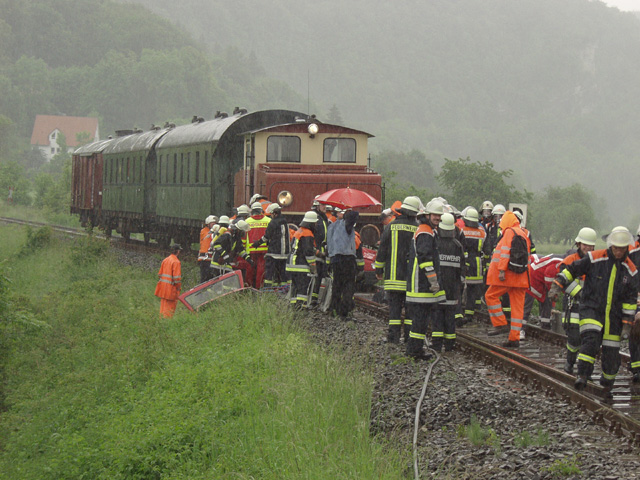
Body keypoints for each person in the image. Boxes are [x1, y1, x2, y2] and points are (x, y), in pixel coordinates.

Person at [552, 226, 638, 393]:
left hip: (613, 317)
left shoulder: (631, 270)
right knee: (590, 341)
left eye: (622, 249)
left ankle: (607, 383)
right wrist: (557, 285)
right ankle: (582, 376)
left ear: (627, 247)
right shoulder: (595, 258)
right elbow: (572, 269)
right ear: (610, 246)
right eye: (616, 248)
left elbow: (630, 300)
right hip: (591, 309)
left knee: (612, 354)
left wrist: (627, 324)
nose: (619, 252)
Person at [548, 227, 596, 374]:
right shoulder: (569, 261)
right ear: (578, 244)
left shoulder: (597, 261)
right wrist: (580, 294)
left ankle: (585, 370)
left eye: (590, 246)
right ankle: (570, 361)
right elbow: (563, 281)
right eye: (585, 245)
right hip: (573, 304)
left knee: (590, 338)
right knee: (574, 337)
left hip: (591, 306)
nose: (587, 248)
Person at [374, 196, 421, 343]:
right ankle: (408, 337)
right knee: (410, 310)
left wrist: (379, 270)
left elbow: (382, 249)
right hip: (411, 279)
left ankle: (393, 337)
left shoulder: (391, 226)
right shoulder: (418, 228)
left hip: (393, 277)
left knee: (394, 309)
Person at [405, 200, 446, 359]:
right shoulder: (425, 232)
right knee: (420, 320)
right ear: (427, 215)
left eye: (439, 215)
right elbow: (425, 259)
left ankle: (414, 350)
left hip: (421, 283)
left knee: (420, 320)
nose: (437, 218)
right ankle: (414, 351)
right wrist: (433, 281)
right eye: (435, 215)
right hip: (421, 284)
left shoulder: (427, 230)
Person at [484, 210, 531, 348]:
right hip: (521, 277)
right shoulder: (523, 233)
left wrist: (502, 270)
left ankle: (500, 323)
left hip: (508, 276)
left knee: (490, 296)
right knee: (517, 309)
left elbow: (505, 252)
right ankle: (514, 338)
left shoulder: (510, 232)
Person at [431, 213, 465, 352]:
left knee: (437, 317)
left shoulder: (435, 243)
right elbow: (462, 269)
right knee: (450, 317)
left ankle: (437, 345)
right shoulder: (458, 245)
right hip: (453, 288)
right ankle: (450, 344)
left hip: (438, 286)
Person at [327, 208, 360, 320]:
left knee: (337, 285)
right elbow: (355, 214)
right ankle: (344, 312)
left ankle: (334, 309)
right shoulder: (346, 224)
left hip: (335, 259)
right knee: (348, 285)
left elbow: (329, 245)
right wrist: (351, 207)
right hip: (347, 259)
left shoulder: (331, 226)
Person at [522, 253, 566, 336]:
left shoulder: (562, 262)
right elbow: (549, 280)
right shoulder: (558, 263)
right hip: (532, 279)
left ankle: (545, 327)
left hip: (541, 281)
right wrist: (553, 295)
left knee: (546, 302)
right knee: (527, 304)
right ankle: (520, 329)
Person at [459, 207, 488, 324]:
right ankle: (469, 315)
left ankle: (459, 313)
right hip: (477, 264)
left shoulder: (461, 231)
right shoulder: (482, 233)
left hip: (463, 263)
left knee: (459, 289)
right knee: (472, 292)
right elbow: (487, 252)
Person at [252, 203, 290, 289]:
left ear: (274, 213)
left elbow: (266, 237)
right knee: (282, 274)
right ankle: (283, 290)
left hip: (274, 253)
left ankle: (268, 290)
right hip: (285, 254)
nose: (271, 216)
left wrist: (257, 243)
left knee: (270, 274)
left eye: (271, 214)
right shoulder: (285, 222)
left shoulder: (273, 223)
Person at [287, 211, 318, 309]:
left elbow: (300, 247)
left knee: (295, 286)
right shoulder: (308, 233)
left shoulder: (299, 231)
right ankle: (301, 307)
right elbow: (308, 252)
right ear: (311, 223)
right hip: (301, 266)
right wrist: (313, 265)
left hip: (292, 265)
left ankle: (293, 306)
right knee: (303, 287)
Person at [245, 202, 271, 288]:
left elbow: (244, 237)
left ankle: (249, 287)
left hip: (251, 251)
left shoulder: (247, 221)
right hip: (264, 250)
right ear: (261, 210)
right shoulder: (268, 221)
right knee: (261, 271)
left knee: (250, 270)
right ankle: (259, 288)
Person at [155, 244, 182, 318]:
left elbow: (160, 274)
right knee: (169, 309)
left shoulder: (166, 260)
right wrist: (178, 288)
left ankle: (161, 321)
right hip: (171, 289)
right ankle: (166, 322)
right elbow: (177, 279)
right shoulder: (176, 262)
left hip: (163, 288)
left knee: (163, 307)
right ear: (178, 251)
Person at [312, 198, 330, 306]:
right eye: (323, 205)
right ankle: (313, 298)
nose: (325, 207)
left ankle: (316, 298)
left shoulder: (324, 218)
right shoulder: (315, 218)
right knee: (316, 276)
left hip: (323, 252)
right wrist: (316, 251)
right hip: (317, 252)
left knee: (321, 276)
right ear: (317, 206)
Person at [198, 215, 217, 283]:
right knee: (204, 278)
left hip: (209, 258)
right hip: (204, 258)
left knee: (210, 277)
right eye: (213, 224)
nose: (214, 225)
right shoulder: (204, 231)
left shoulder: (213, 232)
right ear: (208, 224)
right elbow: (209, 236)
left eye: (215, 224)